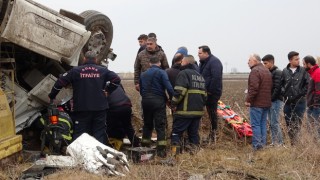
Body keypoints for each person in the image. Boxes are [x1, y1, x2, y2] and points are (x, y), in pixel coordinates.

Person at [48, 51, 120, 144]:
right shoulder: (103, 70)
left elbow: (60, 83)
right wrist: (108, 91)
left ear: (84, 59)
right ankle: (98, 156)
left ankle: (77, 155)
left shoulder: (75, 71)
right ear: (96, 59)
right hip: (100, 108)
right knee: (99, 133)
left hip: (82, 108)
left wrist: (52, 96)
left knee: (80, 134)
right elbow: (116, 80)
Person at [170, 55, 207, 156]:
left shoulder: (183, 73)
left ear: (185, 62)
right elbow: (205, 95)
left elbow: (179, 92)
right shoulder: (200, 76)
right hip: (197, 112)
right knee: (193, 134)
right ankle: (195, 154)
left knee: (176, 133)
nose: (180, 64)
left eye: (181, 62)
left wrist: (173, 104)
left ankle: (174, 156)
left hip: (184, 111)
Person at [139, 56, 174, 158]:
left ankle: (145, 148)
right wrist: (172, 100)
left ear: (150, 64)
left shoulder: (143, 74)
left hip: (145, 101)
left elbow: (141, 90)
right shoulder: (162, 72)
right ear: (159, 63)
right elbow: (168, 87)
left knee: (147, 125)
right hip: (158, 102)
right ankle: (161, 151)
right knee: (160, 126)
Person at [281, 51, 309, 145]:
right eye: (296, 59)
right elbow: (281, 85)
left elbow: (308, 85)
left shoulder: (303, 71)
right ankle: (292, 143)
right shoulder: (284, 71)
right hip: (288, 103)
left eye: (299, 59)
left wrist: (300, 94)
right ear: (290, 60)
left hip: (300, 102)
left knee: (297, 124)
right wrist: (284, 94)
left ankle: (297, 144)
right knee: (288, 123)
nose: (298, 61)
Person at [245, 54, 272, 150]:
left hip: (257, 103)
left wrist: (248, 100)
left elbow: (254, 88)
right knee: (263, 124)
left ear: (255, 61)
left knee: (255, 125)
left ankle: (257, 146)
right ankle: (262, 145)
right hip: (266, 103)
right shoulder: (266, 70)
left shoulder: (255, 71)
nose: (248, 62)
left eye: (249, 60)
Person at [198, 45, 223, 142]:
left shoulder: (214, 62)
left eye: (200, 53)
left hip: (211, 94)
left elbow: (216, 78)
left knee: (212, 115)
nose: (198, 55)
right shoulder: (202, 63)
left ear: (206, 53)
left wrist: (210, 92)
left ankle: (213, 135)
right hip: (203, 93)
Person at [105, 83, 140, 150]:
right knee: (128, 126)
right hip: (126, 106)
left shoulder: (104, 86)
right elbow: (123, 93)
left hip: (114, 107)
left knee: (109, 126)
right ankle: (136, 145)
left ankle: (109, 145)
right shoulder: (118, 85)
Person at [262, 54, 284, 146]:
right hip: (271, 101)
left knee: (275, 122)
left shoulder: (277, 72)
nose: (264, 65)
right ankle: (274, 142)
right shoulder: (270, 72)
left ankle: (279, 142)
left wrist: (270, 99)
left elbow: (277, 88)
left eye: (265, 63)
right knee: (271, 123)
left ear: (271, 62)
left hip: (276, 101)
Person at [303, 55, 320, 140]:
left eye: (304, 64)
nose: (303, 66)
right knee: (311, 127)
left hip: (315, 106)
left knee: (315, 127)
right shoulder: (312, 73)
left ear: (309, 64)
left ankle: (316, 146)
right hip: (311, 105)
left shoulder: (317, 72)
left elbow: (318, 90)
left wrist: (316, 104)